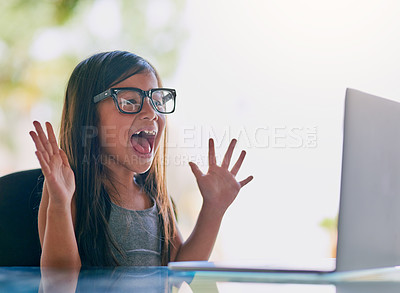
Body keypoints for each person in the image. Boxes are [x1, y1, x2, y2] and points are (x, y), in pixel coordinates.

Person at [29, 50, 253, 268]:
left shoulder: (154, 196)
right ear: (89, 117)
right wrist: (59, 203)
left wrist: (213, 208)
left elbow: (182, 268)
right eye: (129, 101)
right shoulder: (68, 192)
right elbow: (59, 283)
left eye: (157, 101)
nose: (152, 112)